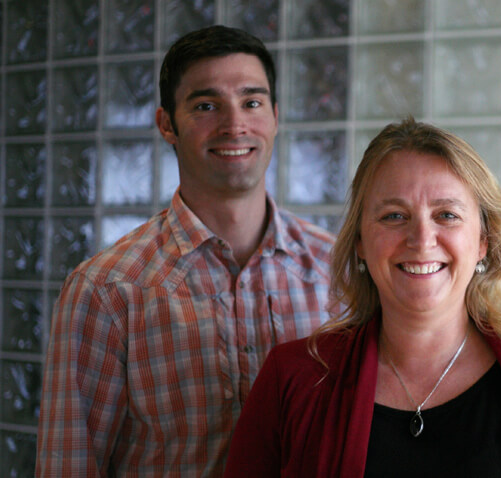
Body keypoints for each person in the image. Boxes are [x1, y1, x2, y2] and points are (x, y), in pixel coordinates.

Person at [223, 118, 501, 477]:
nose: (421, 240)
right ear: (359, 241)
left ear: (482, 242)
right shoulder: (291, 378)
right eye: (394, 216)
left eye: (446, 215)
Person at [36, 25, 335, 477]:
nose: (235, 124)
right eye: (206, 106)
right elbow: (69, 465)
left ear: (275, 116)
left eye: (252, 102)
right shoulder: (107, 290)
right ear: (166, 125)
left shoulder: (340, 270)